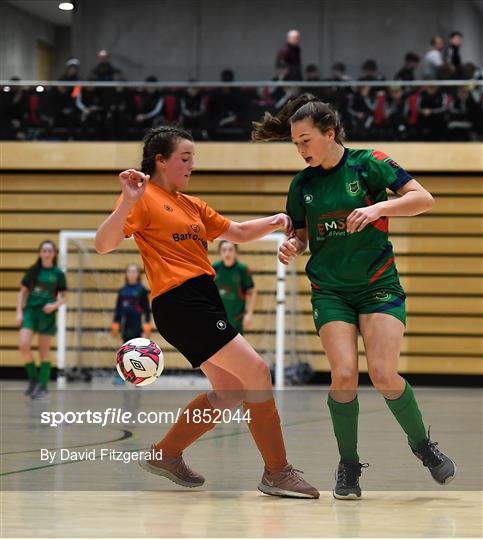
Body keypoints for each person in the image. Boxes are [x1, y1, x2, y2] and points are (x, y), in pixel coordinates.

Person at [95, 126, 319, 498]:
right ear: (160, 161)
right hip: (181, 301)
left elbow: (239, 232)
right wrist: (127, 200)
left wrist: (276, 220)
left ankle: (165, 454)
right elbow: (104, 244)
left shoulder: (191, 204)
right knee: (257, 372)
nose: (192, 165)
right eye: (185, 158)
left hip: (202, 298)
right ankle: (277, 472)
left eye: (193, 158)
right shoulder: (143, 198)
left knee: (230, 391)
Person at [252, 94, 456, 499]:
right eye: (295, 143)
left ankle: (422, 446)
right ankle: (348, 465)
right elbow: (301, 236)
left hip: (379, 286)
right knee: (343, 376)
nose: (300, 150)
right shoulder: (302, 185)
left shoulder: (370, 163)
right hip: (330, 292)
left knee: (382, 374)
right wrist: (291, 246)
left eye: (306, 141)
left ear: (330, 134)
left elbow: (423, 198)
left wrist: (380, 207)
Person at [16, 240, 68, 399]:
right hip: (31, 312)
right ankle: (33, 379)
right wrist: (19, 311)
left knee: (43, 352)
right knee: (23, 345)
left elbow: (65, 296)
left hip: (47, 314)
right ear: (40, 253)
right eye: (44, 250)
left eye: (49, 251)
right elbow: (22, 292)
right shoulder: (32, 271)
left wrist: (54, 306)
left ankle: (43, 386)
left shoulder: (58, 273)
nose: (46, 253)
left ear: (54, 253)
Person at [213, 240, 256, 335]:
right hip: (219, 318)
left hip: (237, 319)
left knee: (237, 348)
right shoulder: (214, 268)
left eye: (230, 250)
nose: (227, 253)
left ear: (236, 252)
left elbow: (252, 292)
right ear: (220, 252)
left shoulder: (242, 270)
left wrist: (249, 314)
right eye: (224, 250)